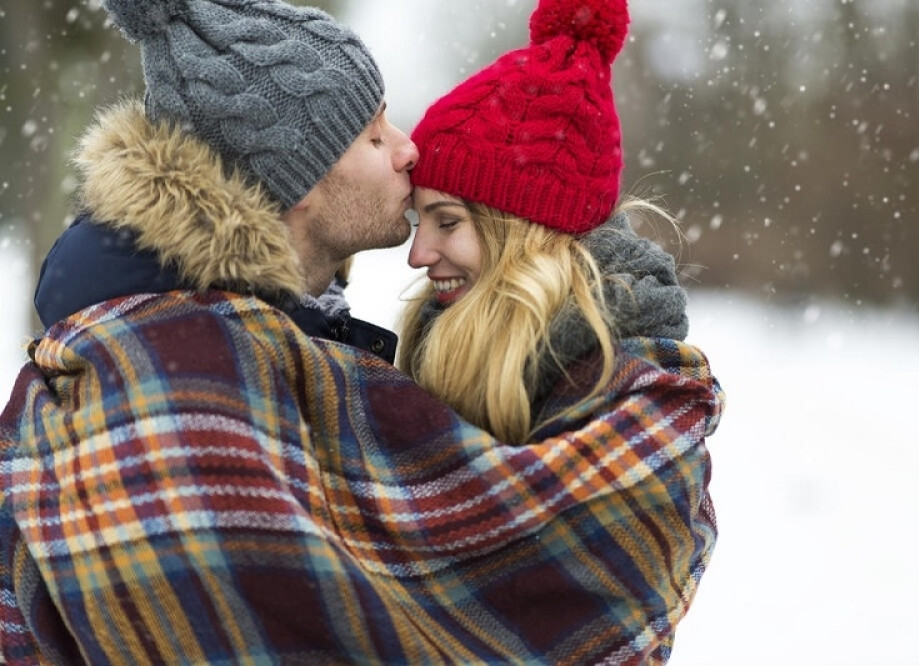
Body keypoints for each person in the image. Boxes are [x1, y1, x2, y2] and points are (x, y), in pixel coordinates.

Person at [0, 0, 723, 664]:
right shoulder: (172, 370)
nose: (406, 149)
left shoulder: (298, 351)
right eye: (375, 132)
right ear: (302, 178)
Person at [394, 0, 723, 659]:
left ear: (521, 231)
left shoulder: (628, 396)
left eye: (447, 222)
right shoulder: (440, 355)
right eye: (416, 221)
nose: (417, 254)